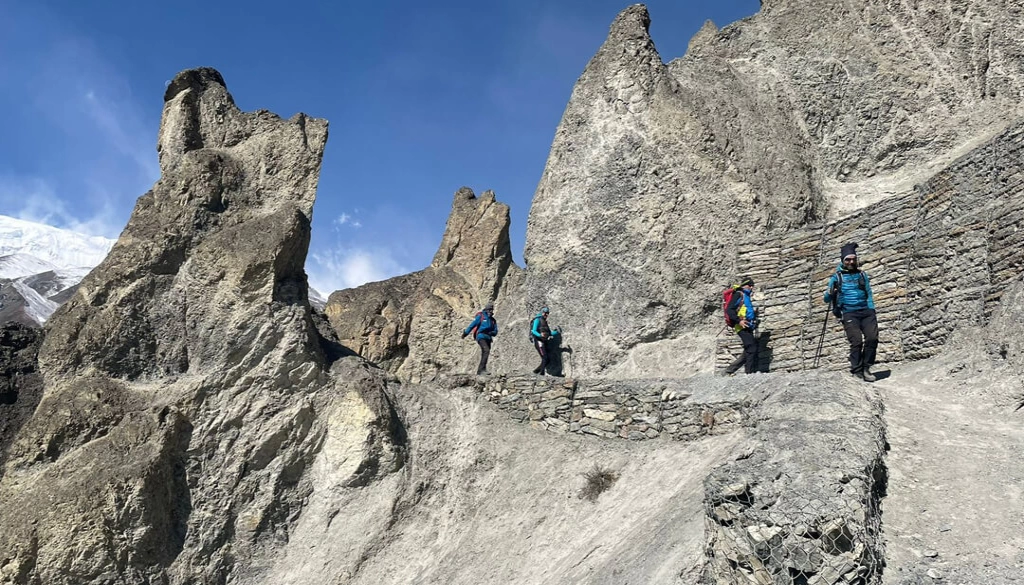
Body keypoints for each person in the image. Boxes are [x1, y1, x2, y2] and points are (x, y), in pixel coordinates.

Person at [823, 242, 878, 382]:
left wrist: (871, 309)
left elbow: (868, 292)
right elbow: (826, 298)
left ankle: (866, 368)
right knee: (857, 341)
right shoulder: (836, 278)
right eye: (848, 259)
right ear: (843, 261)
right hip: (849, 313)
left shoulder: (862, 275)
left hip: (866, 311)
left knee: (872, 338)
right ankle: (857, 370)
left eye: (853, 259)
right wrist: (830, 293)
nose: (851, 261)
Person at [724, 277, 759, 375]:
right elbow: (729, 310)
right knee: (751, 348)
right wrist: (739, 321)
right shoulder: (739, 294)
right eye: (750, 285)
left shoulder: (746, 296)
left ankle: (730, 370)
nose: (752, 288)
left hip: (748, 325)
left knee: (749, 348)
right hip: (741, 326)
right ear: (746, 285)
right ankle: (749, 373)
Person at [462, 302, 498, 375]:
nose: (491, 311)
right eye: (490, 309)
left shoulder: (493, 320)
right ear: (486, 309)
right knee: (486, 351)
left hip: (488, 338)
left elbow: (495, 331)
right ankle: (481, 370)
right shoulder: (481, 316)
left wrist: (491, 333)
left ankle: (481, 370)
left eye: (492, 309)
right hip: (481, 336)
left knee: (485, 353)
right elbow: (472, 325)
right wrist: (465, 333)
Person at [530, 306, 554, 375]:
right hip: (539, 341)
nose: (546, 314)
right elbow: (533, 331)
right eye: (545, 313)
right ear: (542, 312)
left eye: (547, 313)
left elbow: (549, 333)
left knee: (547, 359)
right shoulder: (537, 320)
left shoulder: (544, 321)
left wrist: (556, 332)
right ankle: (542, 374)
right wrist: (540, 335)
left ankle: (536, 371)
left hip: (544, 341)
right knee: (545, 358)